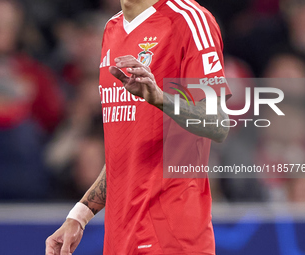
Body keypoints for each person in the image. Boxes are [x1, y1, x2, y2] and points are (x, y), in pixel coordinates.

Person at [46, 0, 231, 254]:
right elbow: (125, 150)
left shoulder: (190, 19)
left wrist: (159, 98)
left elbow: (218, 123)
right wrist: (79, 215)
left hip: (171, 238)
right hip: (120, 238)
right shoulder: (111, 28)